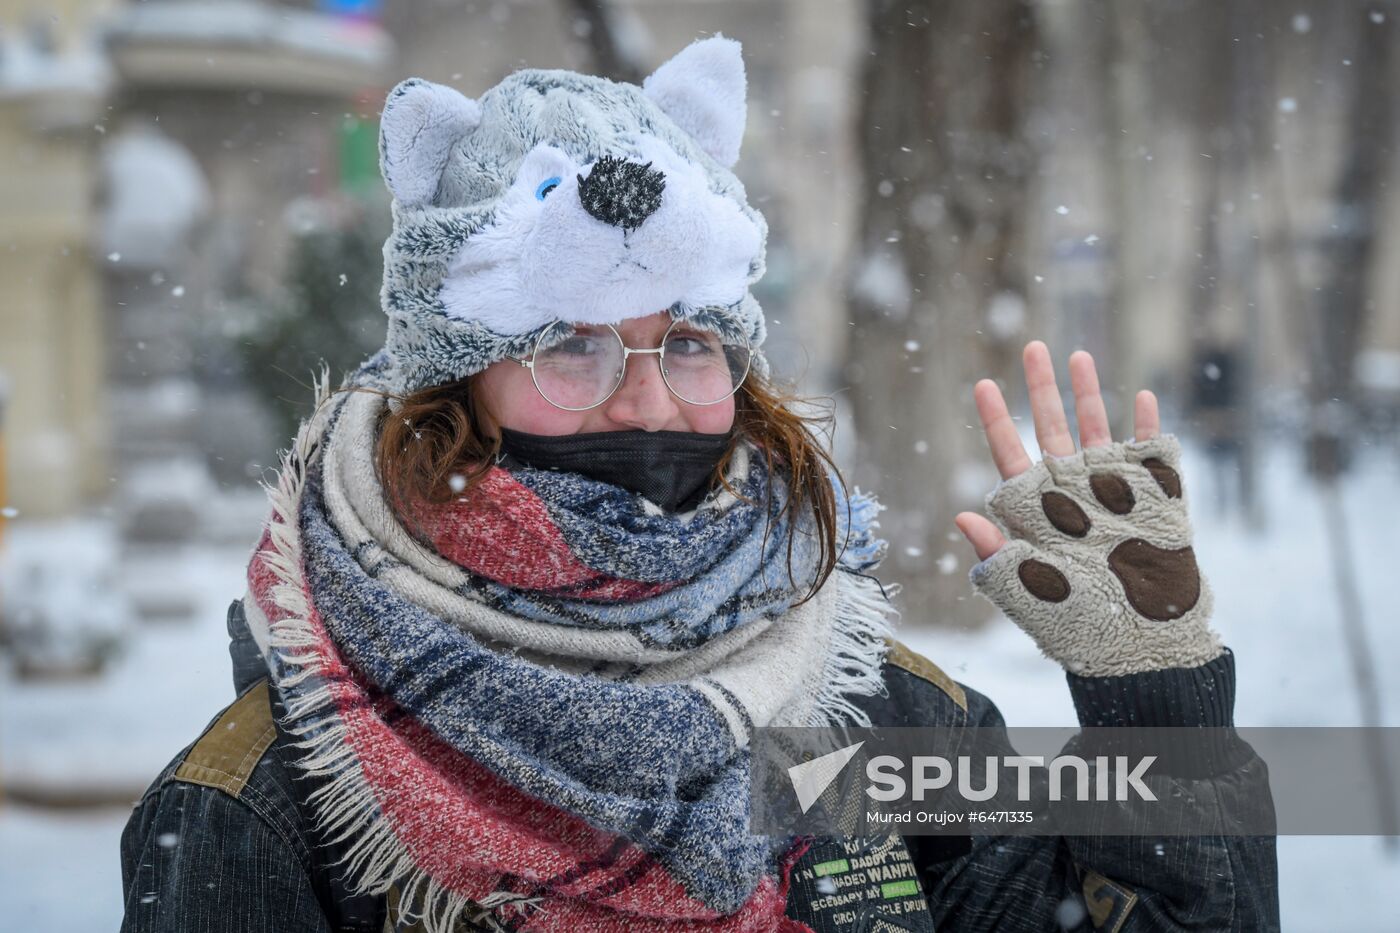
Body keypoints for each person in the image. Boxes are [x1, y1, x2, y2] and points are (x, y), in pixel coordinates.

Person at [119, 36, 1279, 932]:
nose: (648, 402)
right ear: (450, 389)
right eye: (569, 344)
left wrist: (1153, 695)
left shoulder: (868, 715)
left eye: (686, 344)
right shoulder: (269, 801)